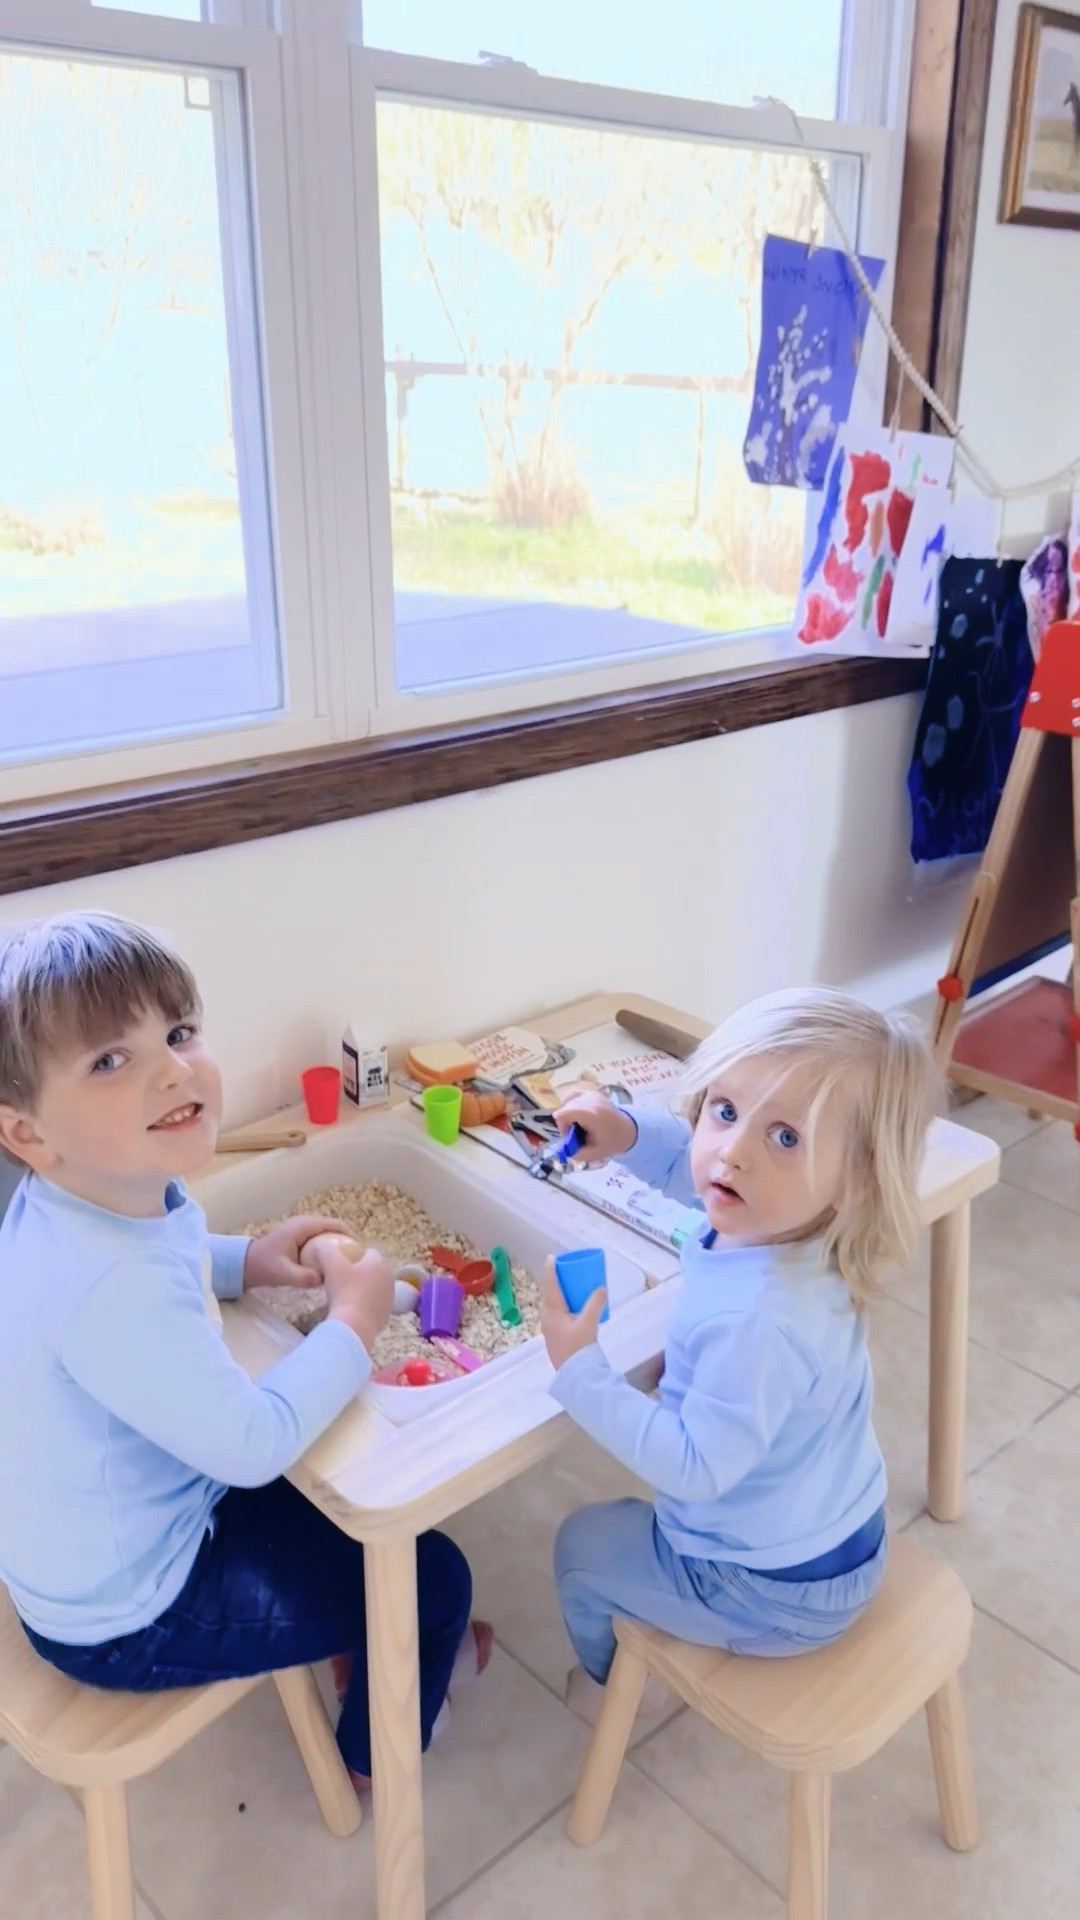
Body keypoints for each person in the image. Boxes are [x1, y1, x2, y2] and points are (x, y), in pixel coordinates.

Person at [0, 910, 488, 1790]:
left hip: (113, 1539)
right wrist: (354, 1322)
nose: (173, 1069)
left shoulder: (89, 1200)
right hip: (130, 1615)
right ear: (26, 1134)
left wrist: (249, 1263)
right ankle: (371, 1757)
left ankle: (357, 1637)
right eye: (112, 1060)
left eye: (179, 1031)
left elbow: (170, 1254)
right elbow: (252, 1446)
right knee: (433, 1580)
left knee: (349, 1520)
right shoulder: (107, 1285)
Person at [539, 987, 938, 1719]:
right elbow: (702, 1178)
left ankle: (611, 1695)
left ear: (858, 1179)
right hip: (836, 1533)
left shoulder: (760, 1318)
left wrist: (580, 1369)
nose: (733, 1153)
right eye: (724, 1110)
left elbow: (694, 1471)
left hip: (767, 1590)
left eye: (786, 1137)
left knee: (583, 1545)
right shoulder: (802, 1222)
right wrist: (624, 1131)